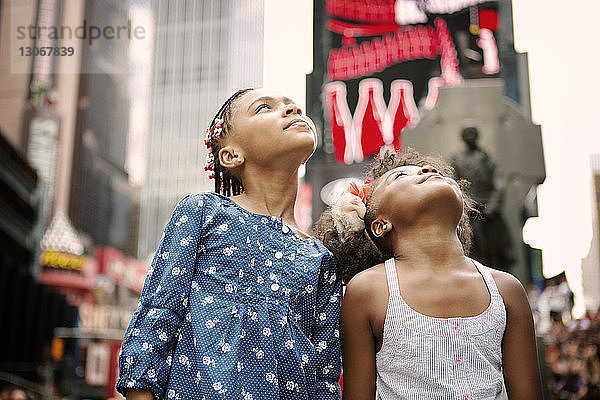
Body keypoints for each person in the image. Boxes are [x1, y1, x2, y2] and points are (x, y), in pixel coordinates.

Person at [117, 89, 342, 400]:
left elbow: (324, 375)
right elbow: (159, 312)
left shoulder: (321, 259)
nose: (292, 109)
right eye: (265, 107)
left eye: (292, 106)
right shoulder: (202, 211)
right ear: (231, 155)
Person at [313, 149, 542, 399]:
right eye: (400, 176)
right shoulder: (367, 291)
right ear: (381, 224)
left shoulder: (506, 290)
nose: (428, 170)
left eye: (438, 172)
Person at [450, 126, 515, 272]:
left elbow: (499, 184)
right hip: (468, 211)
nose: (470, 136)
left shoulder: (487, 159)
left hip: (488, 212)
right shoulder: (456, 160)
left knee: (497, 249)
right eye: (467, 133)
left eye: (473, 133)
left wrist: (492, 206)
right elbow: (453, 182)